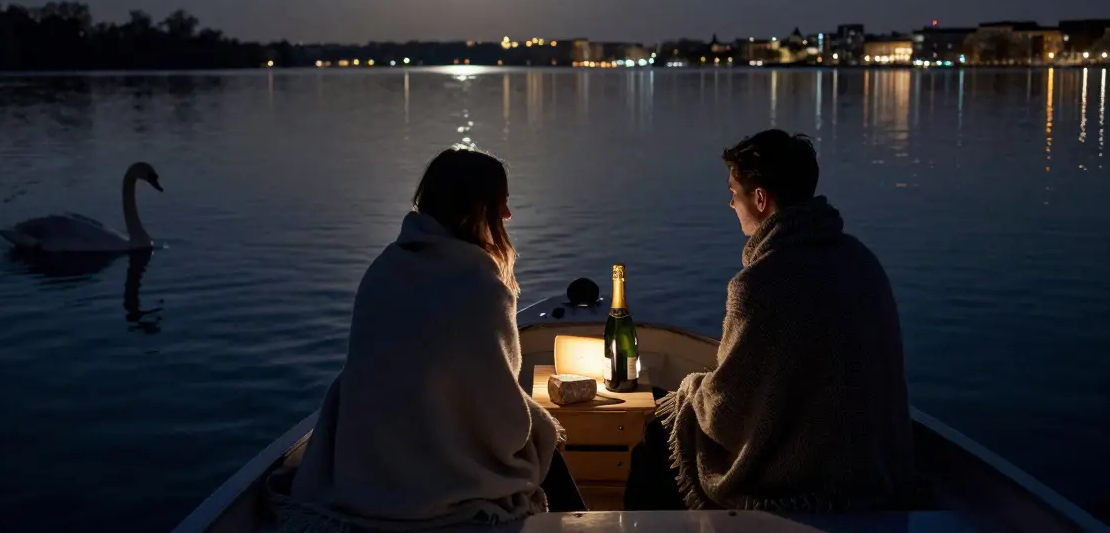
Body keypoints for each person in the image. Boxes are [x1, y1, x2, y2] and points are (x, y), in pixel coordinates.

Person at [273, 147, 583, 531]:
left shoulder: (383, 269)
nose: (507, 216)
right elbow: (501, 421)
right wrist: (534, 425)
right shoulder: (480, 287)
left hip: (364, 468)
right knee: (545, 442)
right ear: (473, 208)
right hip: (435, 482)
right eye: (501, 203)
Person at [626, 129, 916, 512]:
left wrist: (692, 389)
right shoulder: (862, 262)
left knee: (655, 437)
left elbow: (726, 416)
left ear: (760, 198)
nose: (730, 204)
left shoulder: (760, 284)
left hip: (805, 479)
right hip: (871, 467)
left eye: (733, 193)